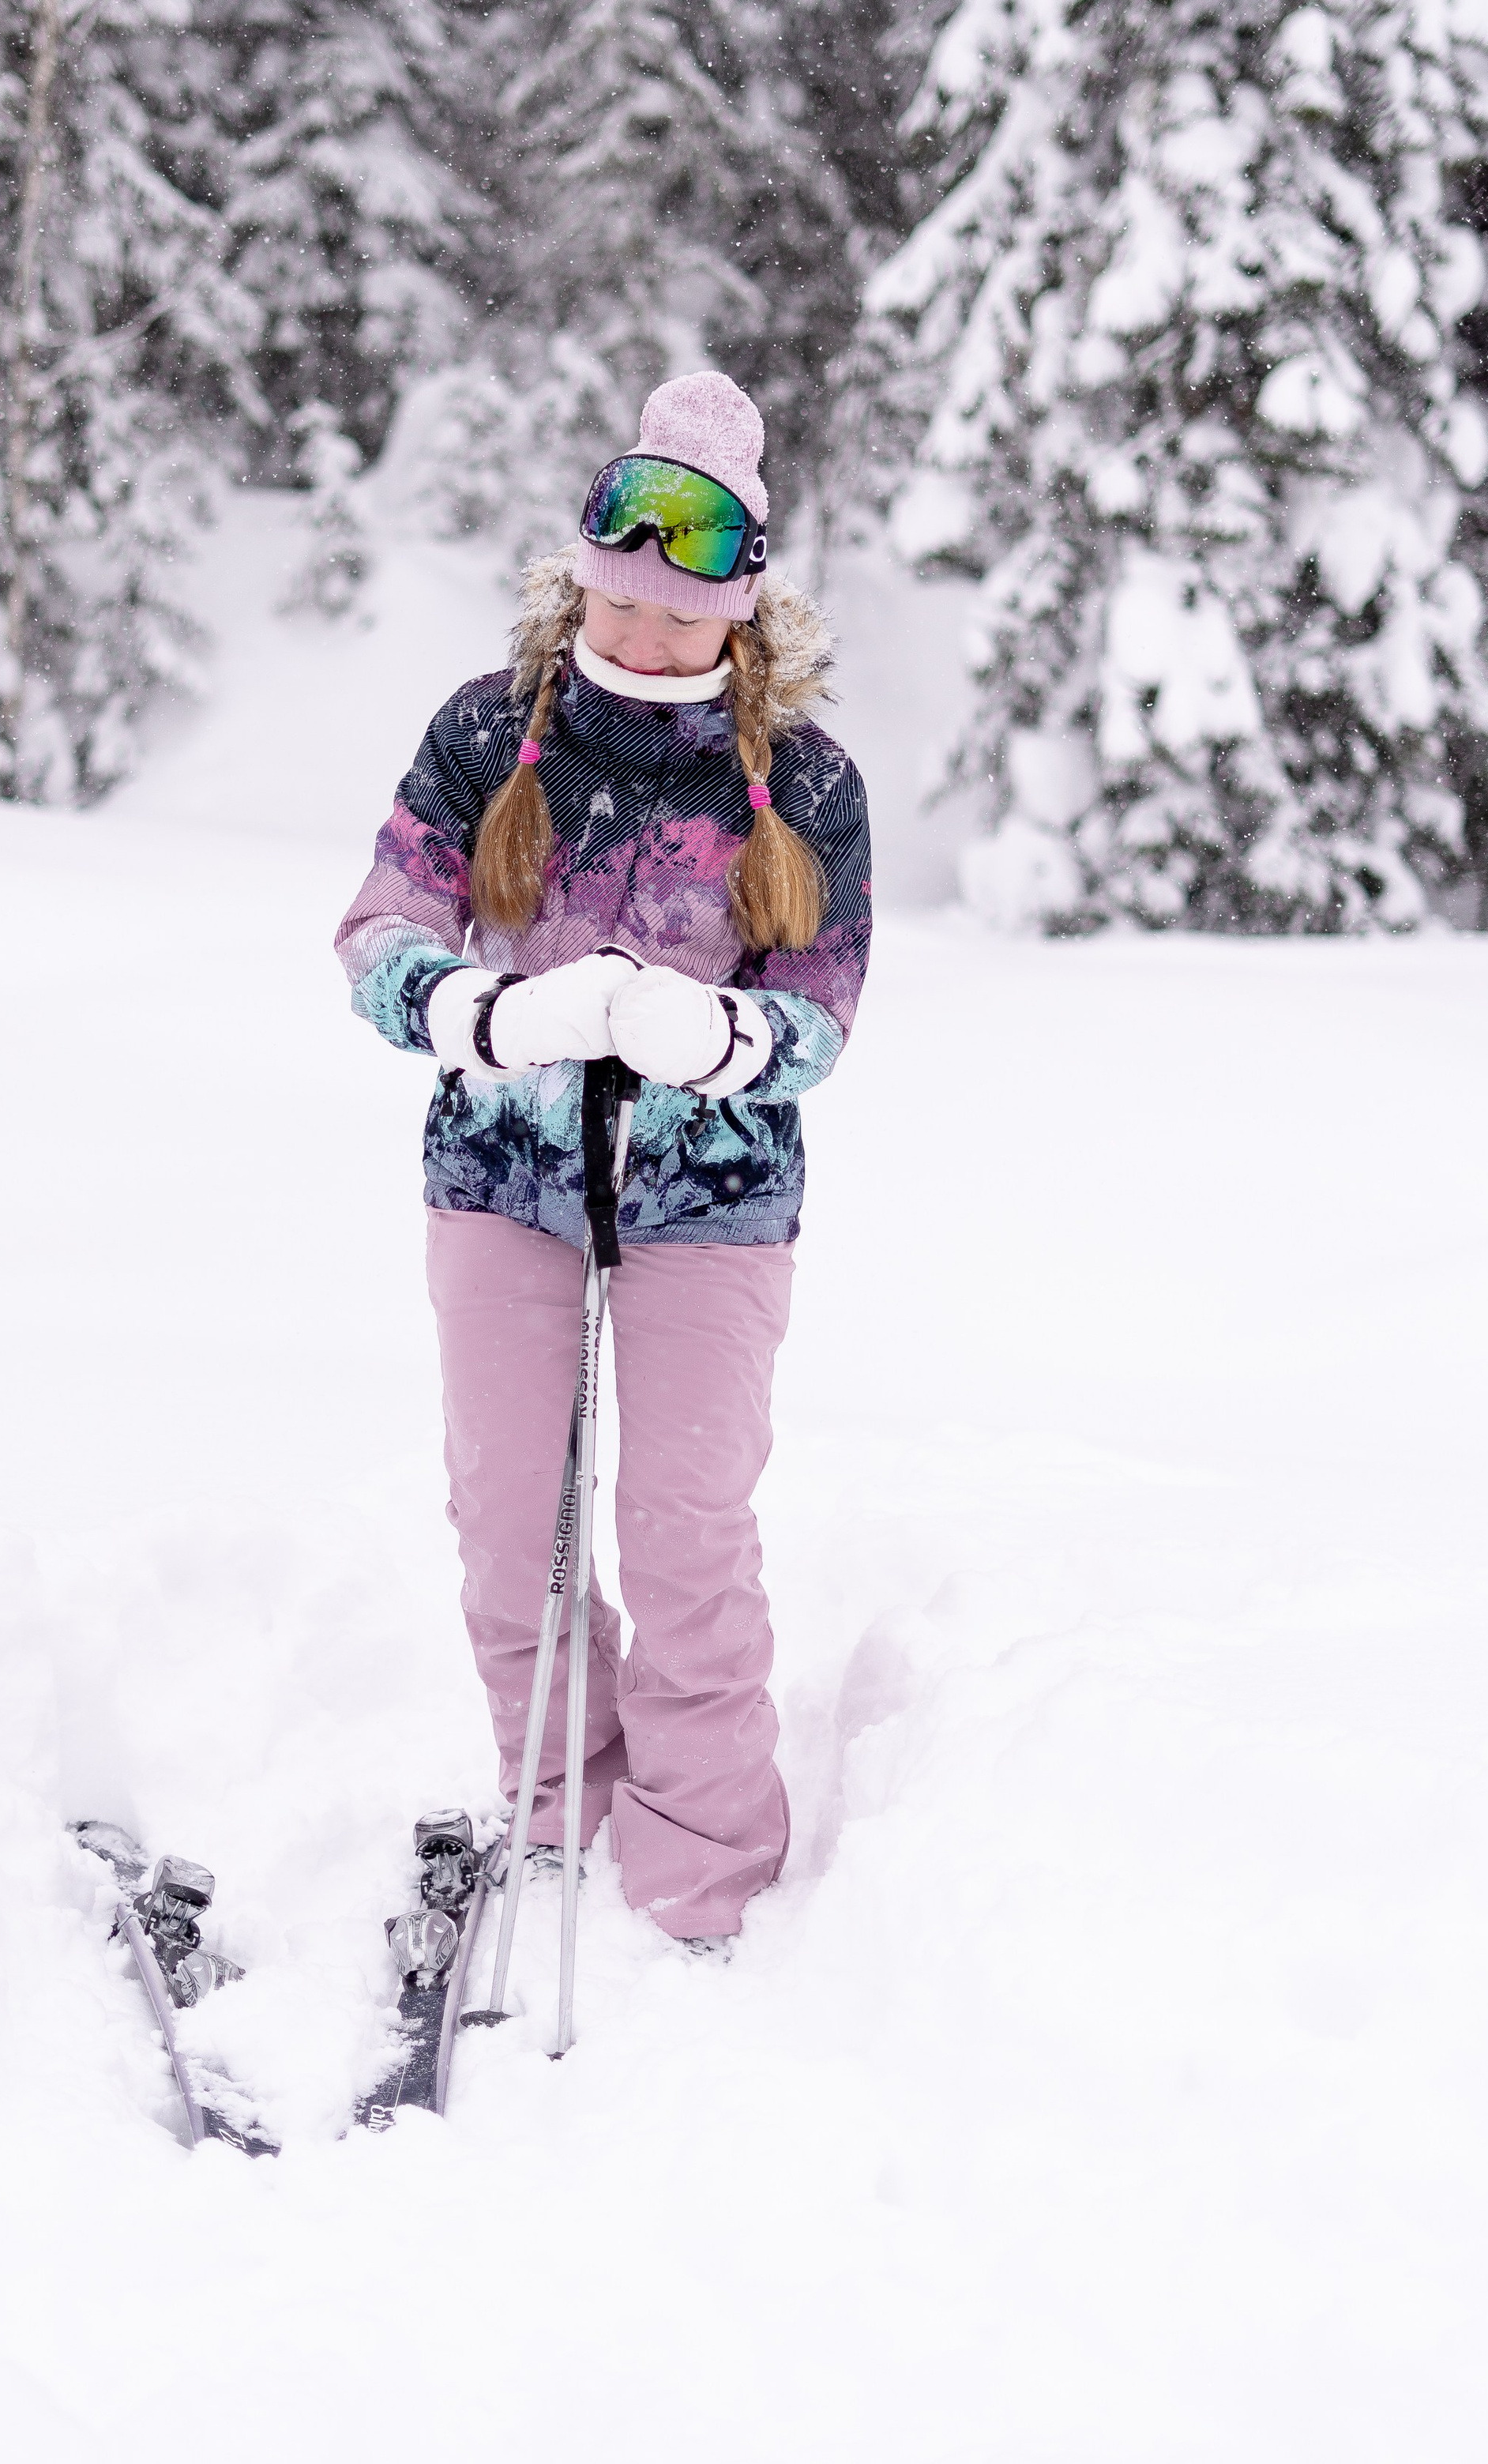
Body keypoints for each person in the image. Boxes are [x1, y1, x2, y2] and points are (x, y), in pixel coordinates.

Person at [334, 371, 870, 1944]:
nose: (641, 634)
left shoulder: (807, 780)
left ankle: (698, 1872)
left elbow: (822, 1016)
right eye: (616, 601)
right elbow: (378, 928)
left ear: (740, 607)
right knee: (513, 1519)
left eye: (677, 613)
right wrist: (485, 1018)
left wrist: (713, 1042)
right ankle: (556, 1808)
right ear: (578, 580)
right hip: (503, 1180)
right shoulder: (489, 733)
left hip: (710, 1203)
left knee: (684, 1529)